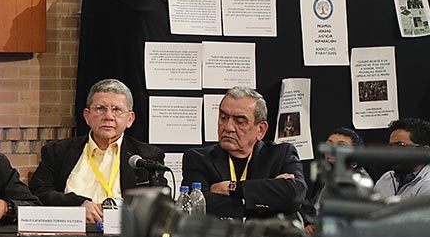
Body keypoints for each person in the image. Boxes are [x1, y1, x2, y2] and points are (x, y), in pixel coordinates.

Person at [29, 79, 166, 223]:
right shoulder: (58, 152)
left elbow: (160, 204)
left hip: (123, 236)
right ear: (87, 116)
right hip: (72, 235)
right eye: (100, 108)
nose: (108, 116)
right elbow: (37, 193)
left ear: (130, 119)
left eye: (116, 110)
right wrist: (77, 204)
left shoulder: (147, 156)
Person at [181, 86, 306, 218]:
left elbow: (294, 196)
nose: (228, 127)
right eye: (223, 118)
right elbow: (199, 205)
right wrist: (267, 202)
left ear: (261, 130)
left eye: (240, 121)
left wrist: (232, 188)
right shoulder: (198, 158)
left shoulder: (281, 154)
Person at [374, 117, 430, 199]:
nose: (392, 152)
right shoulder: (387, 178)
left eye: (400, 145)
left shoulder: (427, 183)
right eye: (391, 146)